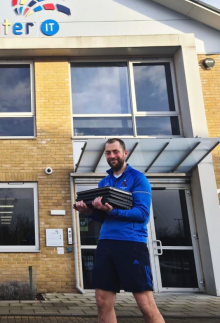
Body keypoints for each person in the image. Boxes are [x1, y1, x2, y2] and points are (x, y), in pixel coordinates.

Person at [74, 138, 164, 323]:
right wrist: (89, 211)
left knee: (145, 305)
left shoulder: (138, 179)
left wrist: (113, 210)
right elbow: (103, 217)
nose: (112, 156)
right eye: (108, 153)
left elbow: (142, 214)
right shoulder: (104, 182)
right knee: (102, 302)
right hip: (106, 243)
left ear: (125, 153)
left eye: (115, 151)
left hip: (131, 244)